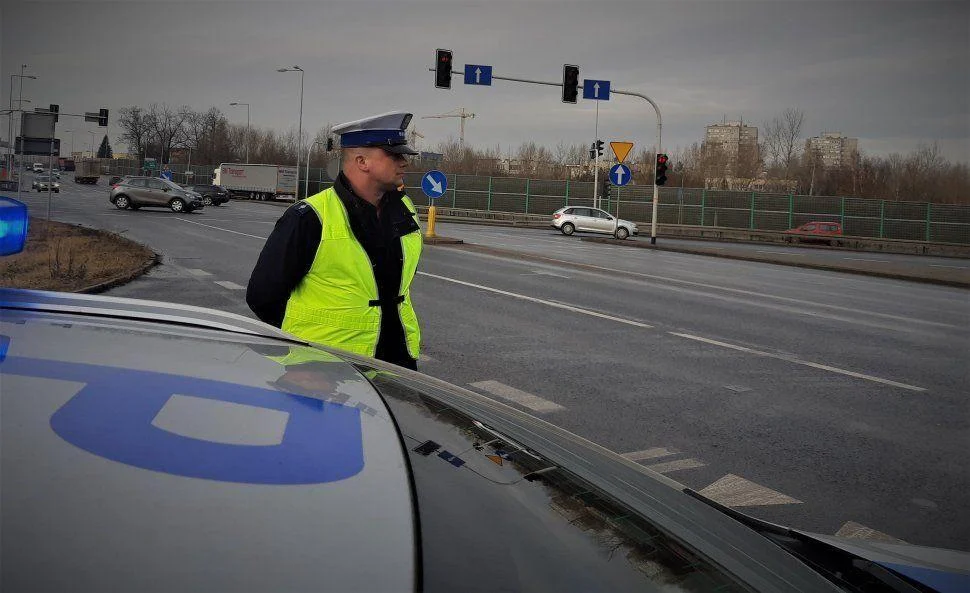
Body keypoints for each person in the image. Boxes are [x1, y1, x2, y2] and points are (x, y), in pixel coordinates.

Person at [247, 111, 422, 370]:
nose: (404, 162)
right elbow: (263, 297)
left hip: (397, 364)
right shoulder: (309, 217)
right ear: (362, 161)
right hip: (326, 369)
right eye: (394, 155)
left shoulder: (404, 209)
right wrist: (305, 357)